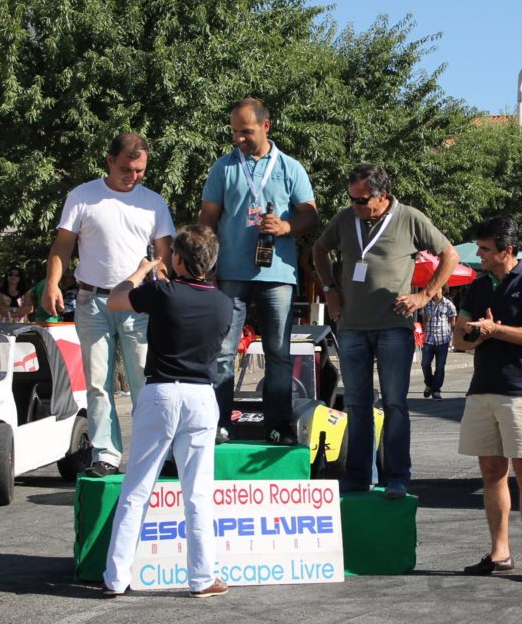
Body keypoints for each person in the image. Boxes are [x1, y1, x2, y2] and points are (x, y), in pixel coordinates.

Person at [313, 164, 458, 499]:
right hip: (351, 327)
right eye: (351, 199)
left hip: (394, 327)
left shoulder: (410, 218)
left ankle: (396, 477)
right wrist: (330, 289)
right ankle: (359, 477)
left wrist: (424, 294)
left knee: (394, 404)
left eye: (362, 200)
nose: (355, 206)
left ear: (382, 196)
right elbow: (319, 250)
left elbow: (448, 254)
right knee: (357, 404)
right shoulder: (346, 219)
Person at [102, 225, 232, 598]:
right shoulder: (223, 302)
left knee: (136, 490)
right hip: (201, 396)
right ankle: (202, 577)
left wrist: (143, 271)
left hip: (161, 391)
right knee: (197, 493)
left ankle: (116, 577)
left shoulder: (162, 291)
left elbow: (116, 298)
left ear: (177, 258)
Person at [42, 133, 175, 477]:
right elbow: (62, 246)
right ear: (109, 161)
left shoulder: (153, 202)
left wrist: (163, 283)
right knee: (98, 384)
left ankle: (153, 455)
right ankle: (106, 455)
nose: (134, 177)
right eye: (126, 170)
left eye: (140, 171)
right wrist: (53, 283)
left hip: (138, 301)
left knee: (145, 383)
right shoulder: (82, 196)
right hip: (91, 299)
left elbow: (164, 255)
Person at [198, 97, 318, 446]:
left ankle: (277, 427)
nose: (239, 139)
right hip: (230, 272)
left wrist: (285, 227)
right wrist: (203, 265)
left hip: (277, 274)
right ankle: (219, 424)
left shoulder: (290, 167)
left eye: (246, 131)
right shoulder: (223, 167)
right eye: (235, 132)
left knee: (278, 352)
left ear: (267, 126)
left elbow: (310, 215)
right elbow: (208, 218)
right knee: (223, 350)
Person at [454, 217, 522, 583]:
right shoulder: (478, 287)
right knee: (492, 472)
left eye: (485, 250)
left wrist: (495, 330)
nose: (478, 255)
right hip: (482, 389)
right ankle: (500, 553)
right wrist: (477, 335)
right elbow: (459, 340)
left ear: (506, 251)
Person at [420, 288, 457, 400]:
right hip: (429, 339)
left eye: (438, 288)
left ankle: (436, 390)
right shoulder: (427, 304)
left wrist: (453, 338)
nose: (435, 290)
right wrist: (426, 330)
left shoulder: (448, 304)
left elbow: (452, 322)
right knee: (425, 364)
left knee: (440, 367)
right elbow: (424, 320)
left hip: (443, 340)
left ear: (443, 290)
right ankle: (429, 384)